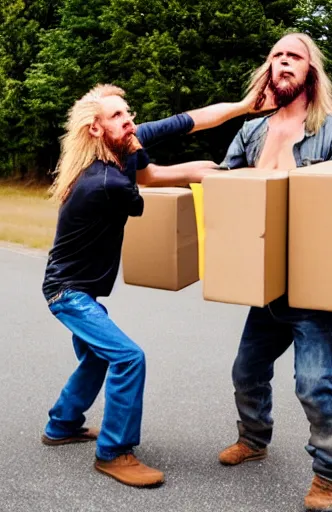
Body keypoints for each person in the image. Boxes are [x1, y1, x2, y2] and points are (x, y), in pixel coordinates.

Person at [41, 83, 273, 488]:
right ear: (95, 130)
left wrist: (242, 108)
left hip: (78, 288)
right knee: (128, 358)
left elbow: (190, 122)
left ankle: (62, 424)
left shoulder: (119, 147)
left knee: (99, 355)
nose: (129, 120)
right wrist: (203, 178)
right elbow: (147, 187)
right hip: (68, 293)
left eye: (127, 112)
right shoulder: (105, 182)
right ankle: (114, 452)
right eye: (117, 116)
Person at [217, 33, 332, 511]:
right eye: (276, 55)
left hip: (310, 285)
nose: (282, 61)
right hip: (265, 283)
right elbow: (227, 193)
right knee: (247, 371)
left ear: (310, 71)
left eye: (293, 56)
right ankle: (255, 438)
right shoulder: (252, 132)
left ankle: (328, 475)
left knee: (313, 383)